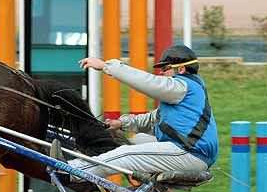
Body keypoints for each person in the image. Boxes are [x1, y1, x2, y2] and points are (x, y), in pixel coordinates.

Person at [69, 45, 218, 179]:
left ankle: (69, 170)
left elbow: (148, 82)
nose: (161, 73)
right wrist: (121, 123)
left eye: (165, 69)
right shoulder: (186, 93)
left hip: (190, 152)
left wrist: (105, 66)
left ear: (181, 69)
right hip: (191, 151)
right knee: (136, 140)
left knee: (125, 153)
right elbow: (153, 119)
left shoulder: (182, 85)